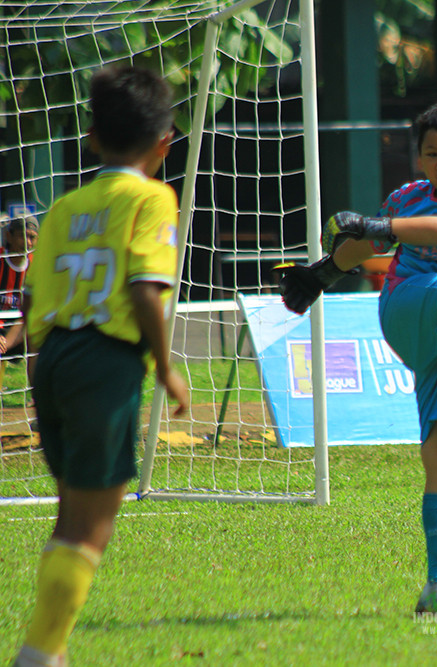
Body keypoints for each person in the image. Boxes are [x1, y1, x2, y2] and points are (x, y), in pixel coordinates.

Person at [274, 98, 437, 623]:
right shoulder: (407, 196)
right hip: (408, 308)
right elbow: (364, 245)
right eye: (432, 153)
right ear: (419, 160)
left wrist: (380, 226)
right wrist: (321, 273)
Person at [11, 65, 189, 667]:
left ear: (91, 139)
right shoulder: (152, 198)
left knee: (70, 512)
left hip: (54, 356)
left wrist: (42, 366)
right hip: (105, 359)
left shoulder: (64, 206)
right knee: (93, 521)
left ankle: (50, 649)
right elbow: (144, 288)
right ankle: (40, 650)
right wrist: (166, 367)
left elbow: (33, 298)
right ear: (165, 140)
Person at [0, 213, 38, 366]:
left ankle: (38, 386)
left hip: (20, 330)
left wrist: (6, 343)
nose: (28, 242)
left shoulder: (37, 266)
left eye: (32, 237)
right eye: (22, 236)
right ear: (9, 236)